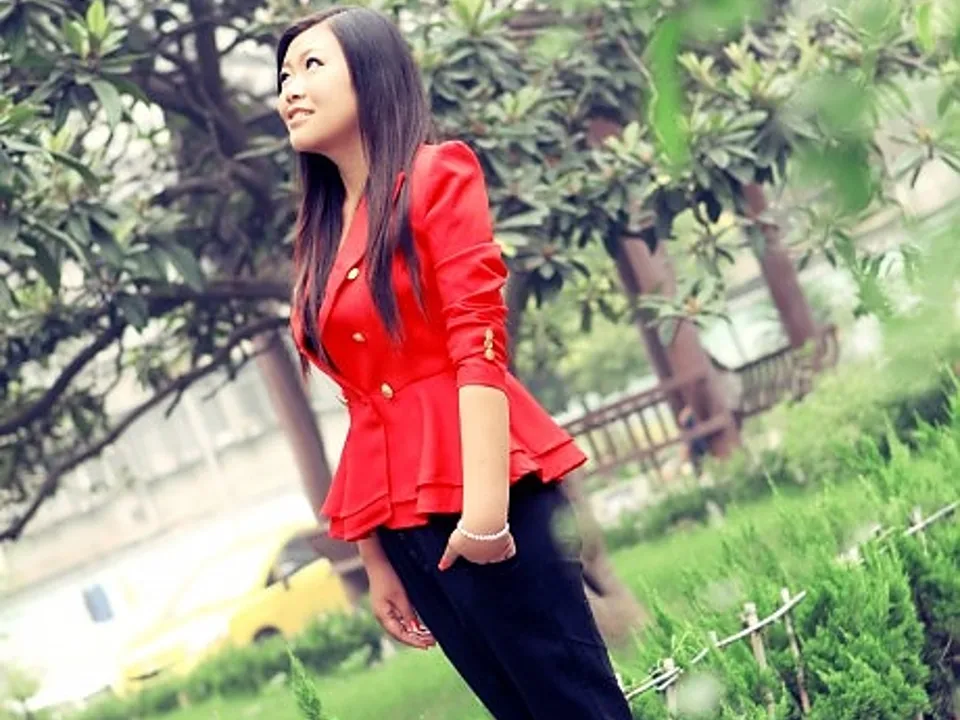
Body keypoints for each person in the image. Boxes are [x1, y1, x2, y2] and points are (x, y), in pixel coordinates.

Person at [276, 7, 634, 720]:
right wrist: (378, 560)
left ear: (371, 75)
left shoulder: (437, 174)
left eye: (311, 66)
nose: (289, 89)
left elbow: (479, 341)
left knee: (575, 705)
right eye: (283, 75)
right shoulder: (322, 229)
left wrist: (487, 516)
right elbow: (361, 400)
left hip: (489, 494)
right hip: (404, 520)